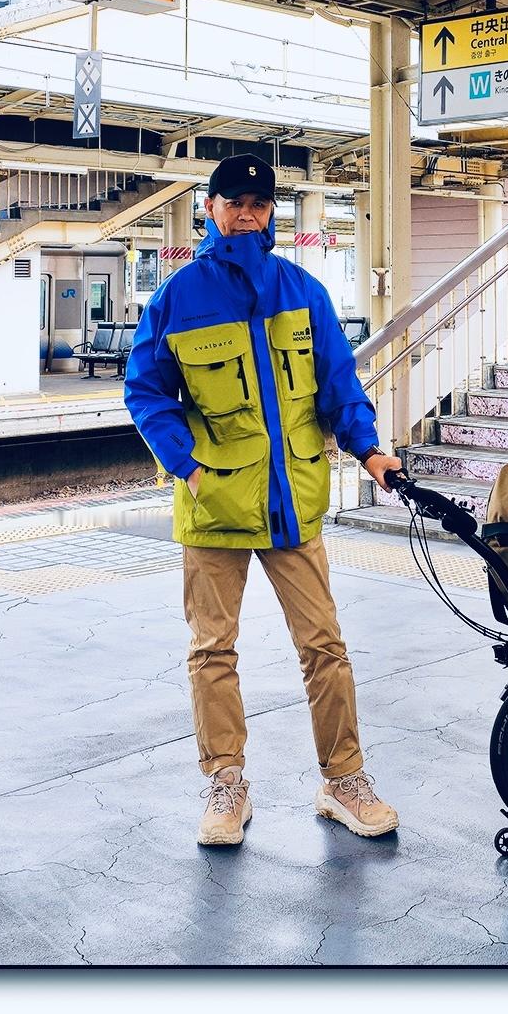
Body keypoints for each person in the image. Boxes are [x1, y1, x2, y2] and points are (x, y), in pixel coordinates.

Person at [123, 153, 405, 848]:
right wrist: (187, 467)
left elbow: (339, 382)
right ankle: (227, 785)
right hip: (215, 504)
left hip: (292, 501)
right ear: (210, 209)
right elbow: (145, 390)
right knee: (212, 650)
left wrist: (369, 449)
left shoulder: (302, 290)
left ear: (271, 211)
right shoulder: (179, 296)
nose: (247, 213)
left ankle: (343, 781)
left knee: (324, 645)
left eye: (258, 203)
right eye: (234, 202)